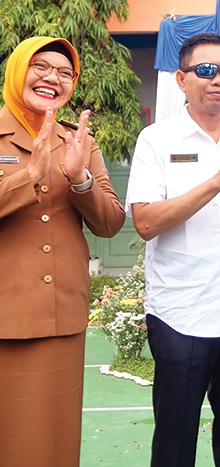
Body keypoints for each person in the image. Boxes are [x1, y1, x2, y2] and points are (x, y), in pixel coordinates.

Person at [126, 32, 220, 467]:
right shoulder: (157, 140)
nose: (219, 79)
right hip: (182, 314)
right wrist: (217, 181)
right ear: (181, 79)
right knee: (175, 440)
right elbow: (145, 222)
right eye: (207, 70)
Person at [0, 37, 126, 466]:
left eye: (65, 72)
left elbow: (110, 222)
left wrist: (80, 180)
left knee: (54, 440)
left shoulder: (78, 141)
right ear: (18, 70)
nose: (53, 78)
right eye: (41, 66)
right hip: (4, 313)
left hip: (60, 315)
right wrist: (29, 176)